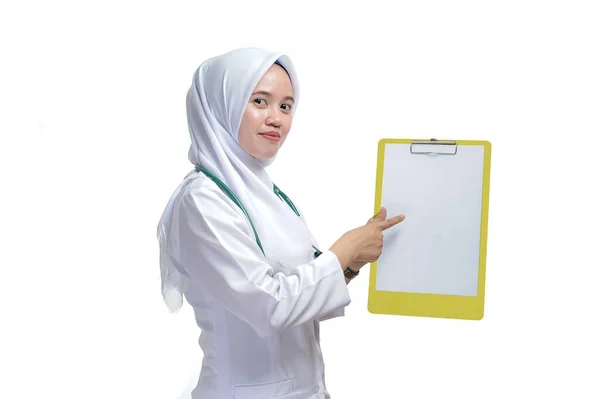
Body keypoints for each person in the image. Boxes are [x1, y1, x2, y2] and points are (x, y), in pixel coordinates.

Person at [157, 47, 405, 399]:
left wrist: (350, 264)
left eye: (286, 106)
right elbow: (269, 305)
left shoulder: (267, 195)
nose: (277, 119)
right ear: (220, 105)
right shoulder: (202, 201)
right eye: (260, 101)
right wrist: (342, 251)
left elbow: (300, 290)